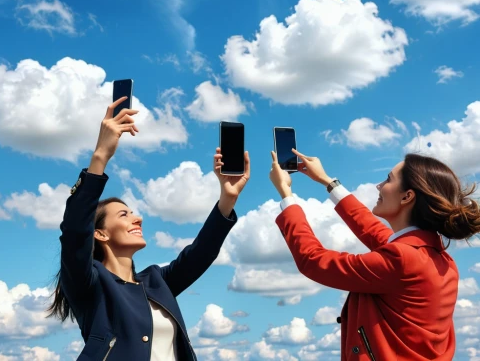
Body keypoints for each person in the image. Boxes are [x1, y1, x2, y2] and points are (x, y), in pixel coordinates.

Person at [47, 97, 250, 360]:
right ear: (100, 233)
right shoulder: (90, 284)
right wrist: (100, 156)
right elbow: (74, 232)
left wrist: (228, 198)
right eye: (124, 214)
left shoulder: (156, 282)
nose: (138, 218)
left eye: (133, 213)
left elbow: (201, 253)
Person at [269, 148, 480, 361]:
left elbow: (313, 261)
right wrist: (326, 181)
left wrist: (287, 195)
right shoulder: (436, 258)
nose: (379, 186)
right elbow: (371, 229)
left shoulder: (402, 259)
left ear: (407, 196)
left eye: (388, 180)